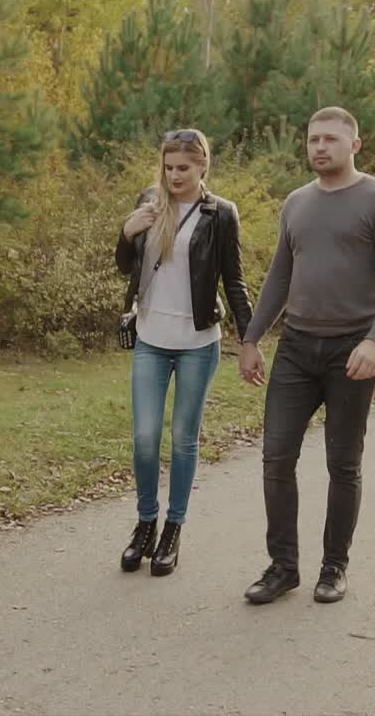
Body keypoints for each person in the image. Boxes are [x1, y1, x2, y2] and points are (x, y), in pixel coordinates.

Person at [238, 106, 375, 604]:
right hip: (296, 348)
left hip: (351, 349)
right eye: (313, 139)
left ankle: (334, 567)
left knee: (343, 463)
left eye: (331, 139)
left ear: (354, 145)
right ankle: (283, 568)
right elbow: (279, 278)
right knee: (276, 458)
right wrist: (251, 338)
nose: (320, 147)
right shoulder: (296, 203)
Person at [115, 128, 253, 577]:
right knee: (145, 438)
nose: (175, 176)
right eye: (169, 167)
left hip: (197, 343)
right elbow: (126, 266)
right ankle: (145, 524)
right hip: (151, 340)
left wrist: (249, 340)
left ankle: (173, 529)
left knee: (183, 438)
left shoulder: (221, 214)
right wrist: (126, 232)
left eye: (184, 168)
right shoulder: (149, 202)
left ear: (203, 166)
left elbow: (234, 280)